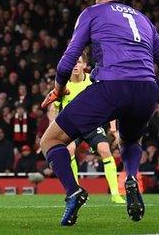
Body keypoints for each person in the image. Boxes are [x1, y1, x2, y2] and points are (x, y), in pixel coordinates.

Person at [39, 0, 159, 225]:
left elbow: (67, 62)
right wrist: (150, 90)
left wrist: (59, 90)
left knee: (50, 141)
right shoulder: (143, 19)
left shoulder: (92, 13)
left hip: (111, 86)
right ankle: (130, 178)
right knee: (130, 141)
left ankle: (73, 192)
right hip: (146, 89)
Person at [46, 54, 125, 204]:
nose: (75, 65)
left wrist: (113, 129)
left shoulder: (93, 80)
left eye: (79, 62)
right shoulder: (63, 85)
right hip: (72, 126)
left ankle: (115, 194)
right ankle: (74, 192)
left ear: (84, 65)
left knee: (105, 149)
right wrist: (53, 126)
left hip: (93, 124)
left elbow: (109, 102)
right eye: (73, 63)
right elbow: (53, 109)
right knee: (68, 150)